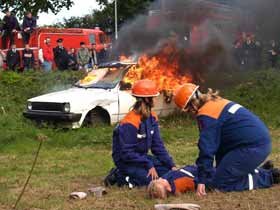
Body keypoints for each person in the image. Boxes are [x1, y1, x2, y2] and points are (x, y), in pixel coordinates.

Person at [173, 83, 280, 196]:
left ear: (192, 105)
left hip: (252, 147)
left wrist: (202, 180)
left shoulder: (206, 114)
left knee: (219, 184)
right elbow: (219, 144)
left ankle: (270, 177)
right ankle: (260, 170)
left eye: (188, 110)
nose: (190, 113)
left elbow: (207, 149)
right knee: (219, 174)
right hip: (254, 142)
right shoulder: (215, 102)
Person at [106, 80, 176, 188]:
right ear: (147, 99)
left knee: (167, 174)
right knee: (151, 180)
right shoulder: (130, 122)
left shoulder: (152, 117)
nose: (155, 99)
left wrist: (171, 165)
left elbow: (157, 145)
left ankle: (146, 171)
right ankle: (118, 175)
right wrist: (148, 164)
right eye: (153, 97)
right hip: (126, 161)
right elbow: (127, 153)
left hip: (141, 158)